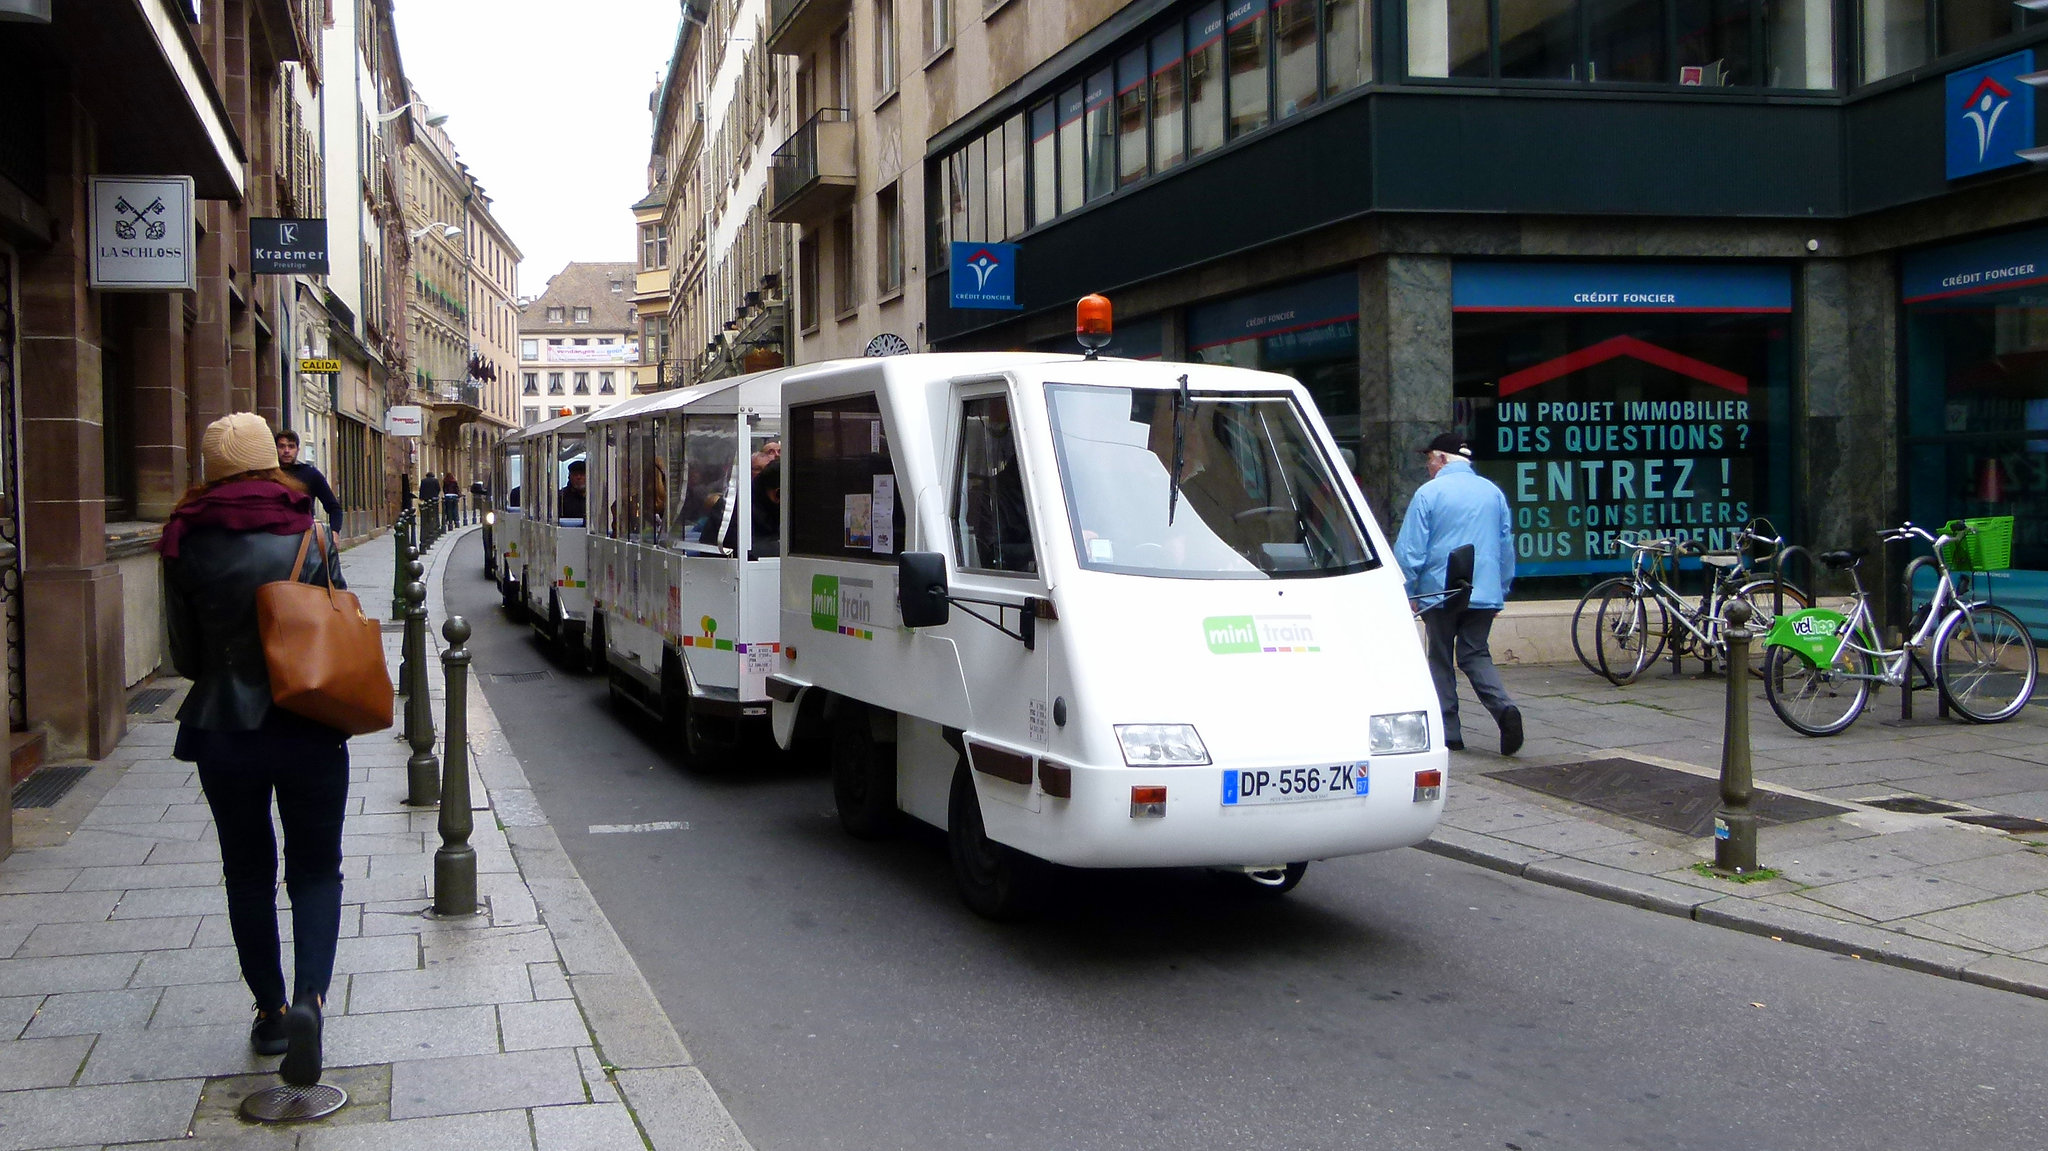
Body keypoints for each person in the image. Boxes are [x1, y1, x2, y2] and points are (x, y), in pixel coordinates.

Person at [158, 412, 346, 1088]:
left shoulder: (181, 541)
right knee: (316, 868)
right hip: (309, 724)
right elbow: (338, 625)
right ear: (275, 461)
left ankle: (269, 1012)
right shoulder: (311, 530)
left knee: (247, 872)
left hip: (223, 729)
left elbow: (183, 656)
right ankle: (311, 1001)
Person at [1394, 431, 1522, 756]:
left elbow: (1411, 551)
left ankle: (1449, 731)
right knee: (1475, 653)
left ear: (1441, 459)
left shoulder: (1429, 493)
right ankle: (1503, 708)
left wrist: (1404, 589)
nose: (1427, 466)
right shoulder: (1492, 493)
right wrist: (1501, 589)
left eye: (1428, 459)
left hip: (1442, 591)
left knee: (1440, 657)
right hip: (1484, 591)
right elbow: (1506, 546)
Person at [274, 430, 342, 536]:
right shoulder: (267, 475)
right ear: (275, 449)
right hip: (274, 535)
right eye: (282, 446)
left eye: (291, 446)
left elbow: (334, 507)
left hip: (303, 537)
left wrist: (334, 533)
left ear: (297, 450)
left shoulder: (310, 474)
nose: (286, 451)